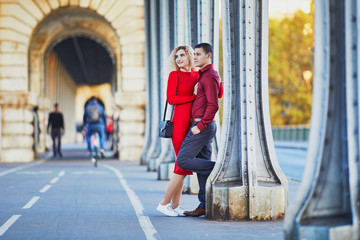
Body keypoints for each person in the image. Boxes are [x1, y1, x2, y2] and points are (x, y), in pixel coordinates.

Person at [176, 43, 221, 217]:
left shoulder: (209, 76)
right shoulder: (205, 75)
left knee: (183, 159)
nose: (195, 57)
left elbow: (213, 104)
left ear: (209, 56)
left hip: (202, 126)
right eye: (194, 54)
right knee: (201, 167)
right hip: (201, 125)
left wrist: (200, 126)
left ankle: (221, 169)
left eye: (198, 54)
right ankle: (203, 204)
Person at [157, 46, 199, 217]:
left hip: (192, 124)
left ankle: (175, 206)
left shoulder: (198, 75)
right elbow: (171, 99)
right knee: (182, 164)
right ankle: (164, 203)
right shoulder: (174, 75)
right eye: (177, 56)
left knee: (182, 165)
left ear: (190, 56)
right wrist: (193, 97)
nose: (179, 59)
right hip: (179, 123)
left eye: (182, 55)